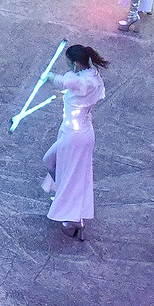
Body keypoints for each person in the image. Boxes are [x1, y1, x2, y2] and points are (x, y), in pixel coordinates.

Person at [43, 45, 109, 240]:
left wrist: (51, 77)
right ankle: (69, 207)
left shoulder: (81, 81)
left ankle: (73, 217)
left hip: (75, 135)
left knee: (70, 173)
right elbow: (78, 94)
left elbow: (71, 84)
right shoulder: (93, 77)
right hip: (77, 132)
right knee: (57, 164)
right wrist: (62, 95)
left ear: (75, 63)